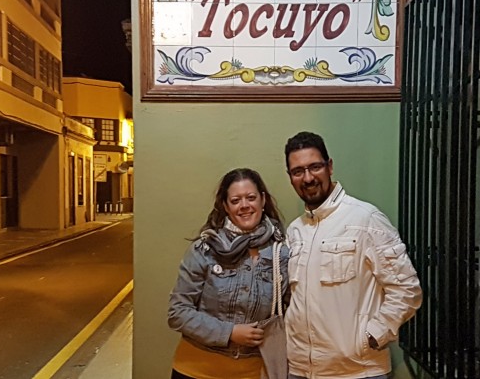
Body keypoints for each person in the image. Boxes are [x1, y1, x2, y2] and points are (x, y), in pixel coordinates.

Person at [283, 131, 422, 379]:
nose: (307, 178)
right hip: (301, 370)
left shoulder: (365, 218)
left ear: (330, 166)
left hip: (358, 371)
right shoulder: (295, 231)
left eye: (315, 167)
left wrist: (374, 335)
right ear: (290, 177)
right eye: (298, 171)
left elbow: (407, 289)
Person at [168, 168, 289, 379]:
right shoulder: (204, 249)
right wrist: (229, 332)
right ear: (225, 206)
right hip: (196, 370)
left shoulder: (282, 253)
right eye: (235, 200)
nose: (244, 206)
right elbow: (177, 312)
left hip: (254, 372)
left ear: (262, 200)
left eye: (251, 198)